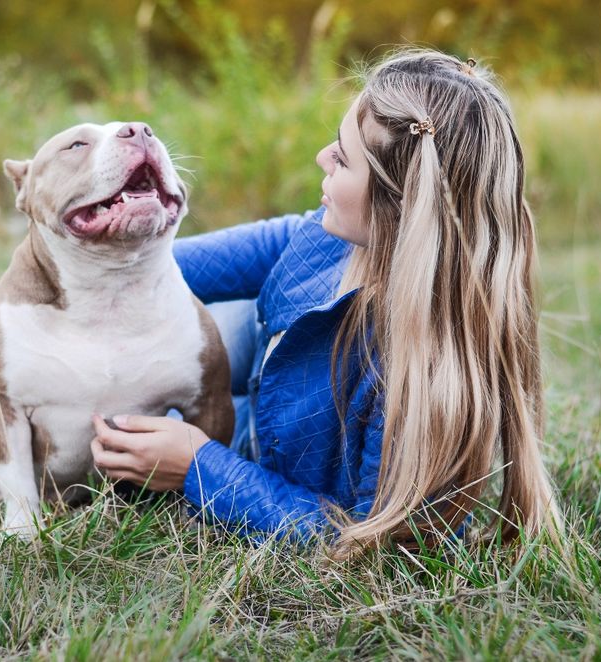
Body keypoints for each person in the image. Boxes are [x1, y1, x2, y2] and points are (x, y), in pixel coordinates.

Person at [90, 49, 561, 558]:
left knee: (119, 421)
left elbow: (375, 544)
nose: (322, 157)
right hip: (255, 400)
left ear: (397, 206)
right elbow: (173, 269)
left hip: (256, 459)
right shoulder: (327, 235)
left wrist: (198, 467)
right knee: (130, 348)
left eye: (342, 156)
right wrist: (100, 257)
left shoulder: (423, 381)